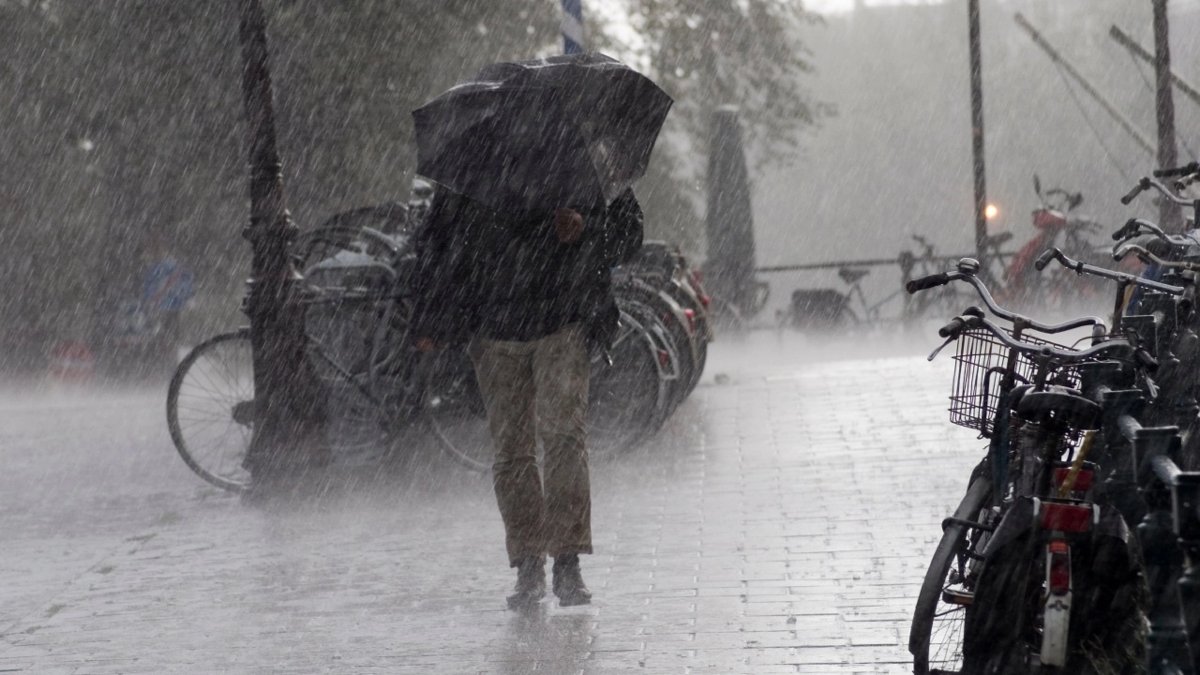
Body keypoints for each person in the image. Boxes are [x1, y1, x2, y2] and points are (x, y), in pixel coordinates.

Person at [410, 185, 643, 609]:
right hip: (494, 328)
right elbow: (438, 242)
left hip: (563, 320)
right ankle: (529, 563)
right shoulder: (472, 165)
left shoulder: (582, 157)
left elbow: (628, 236)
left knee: (563, 439)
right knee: (512, 450)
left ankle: (567, 562)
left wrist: (585, 228)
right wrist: (430, 319)